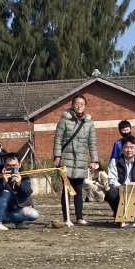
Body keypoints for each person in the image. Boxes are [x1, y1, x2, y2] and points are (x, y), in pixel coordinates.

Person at [53, 94, 99, 225]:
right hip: (66, 159)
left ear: (85, 106)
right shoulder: (64, 120)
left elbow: (92, 143)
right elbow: (58, 139)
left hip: (81, 159)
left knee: (79, 188)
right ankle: (67, 218)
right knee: (67, 188)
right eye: (77, 103)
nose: (79, 106)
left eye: (82, 104)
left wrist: (94, 160)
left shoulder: (89, 123)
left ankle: (80, 217)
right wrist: (57, 156)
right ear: (72, 105)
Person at [0, 153, 39, 230]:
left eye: (14, 165)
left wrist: (19, 184)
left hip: (13, 210)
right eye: (8, 166)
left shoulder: (23, 175)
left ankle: (18, 221)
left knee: (34, 214)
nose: (11, 168)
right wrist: (3, 183)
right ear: (4, 165)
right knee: (6, 192)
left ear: (19, 164)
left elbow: (27, 193)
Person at [104, 136, 135, 224]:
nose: (129, 150)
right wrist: (123, 187)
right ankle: (119, 214)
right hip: (121, 188)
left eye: (132, 147)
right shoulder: (114, 161)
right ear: (122, 148)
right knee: (111, 193)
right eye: (126, 147)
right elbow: (112, 179)